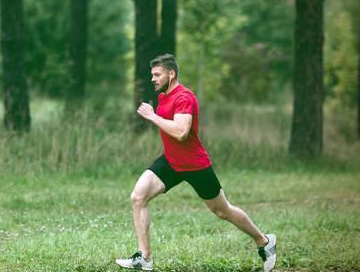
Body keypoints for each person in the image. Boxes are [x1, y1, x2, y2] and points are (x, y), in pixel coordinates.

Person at [115, 54, 276, 272]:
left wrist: (152, 117)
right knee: (138, 196)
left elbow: (181, 132)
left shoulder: (185, 97)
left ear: (171, 74)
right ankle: (144, 257)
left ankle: (264, 241)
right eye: (152, 74)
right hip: (171, 162)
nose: (152, 79)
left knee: (222, 211)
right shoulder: (164, 96)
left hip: (194, 165)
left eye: (157, 74)